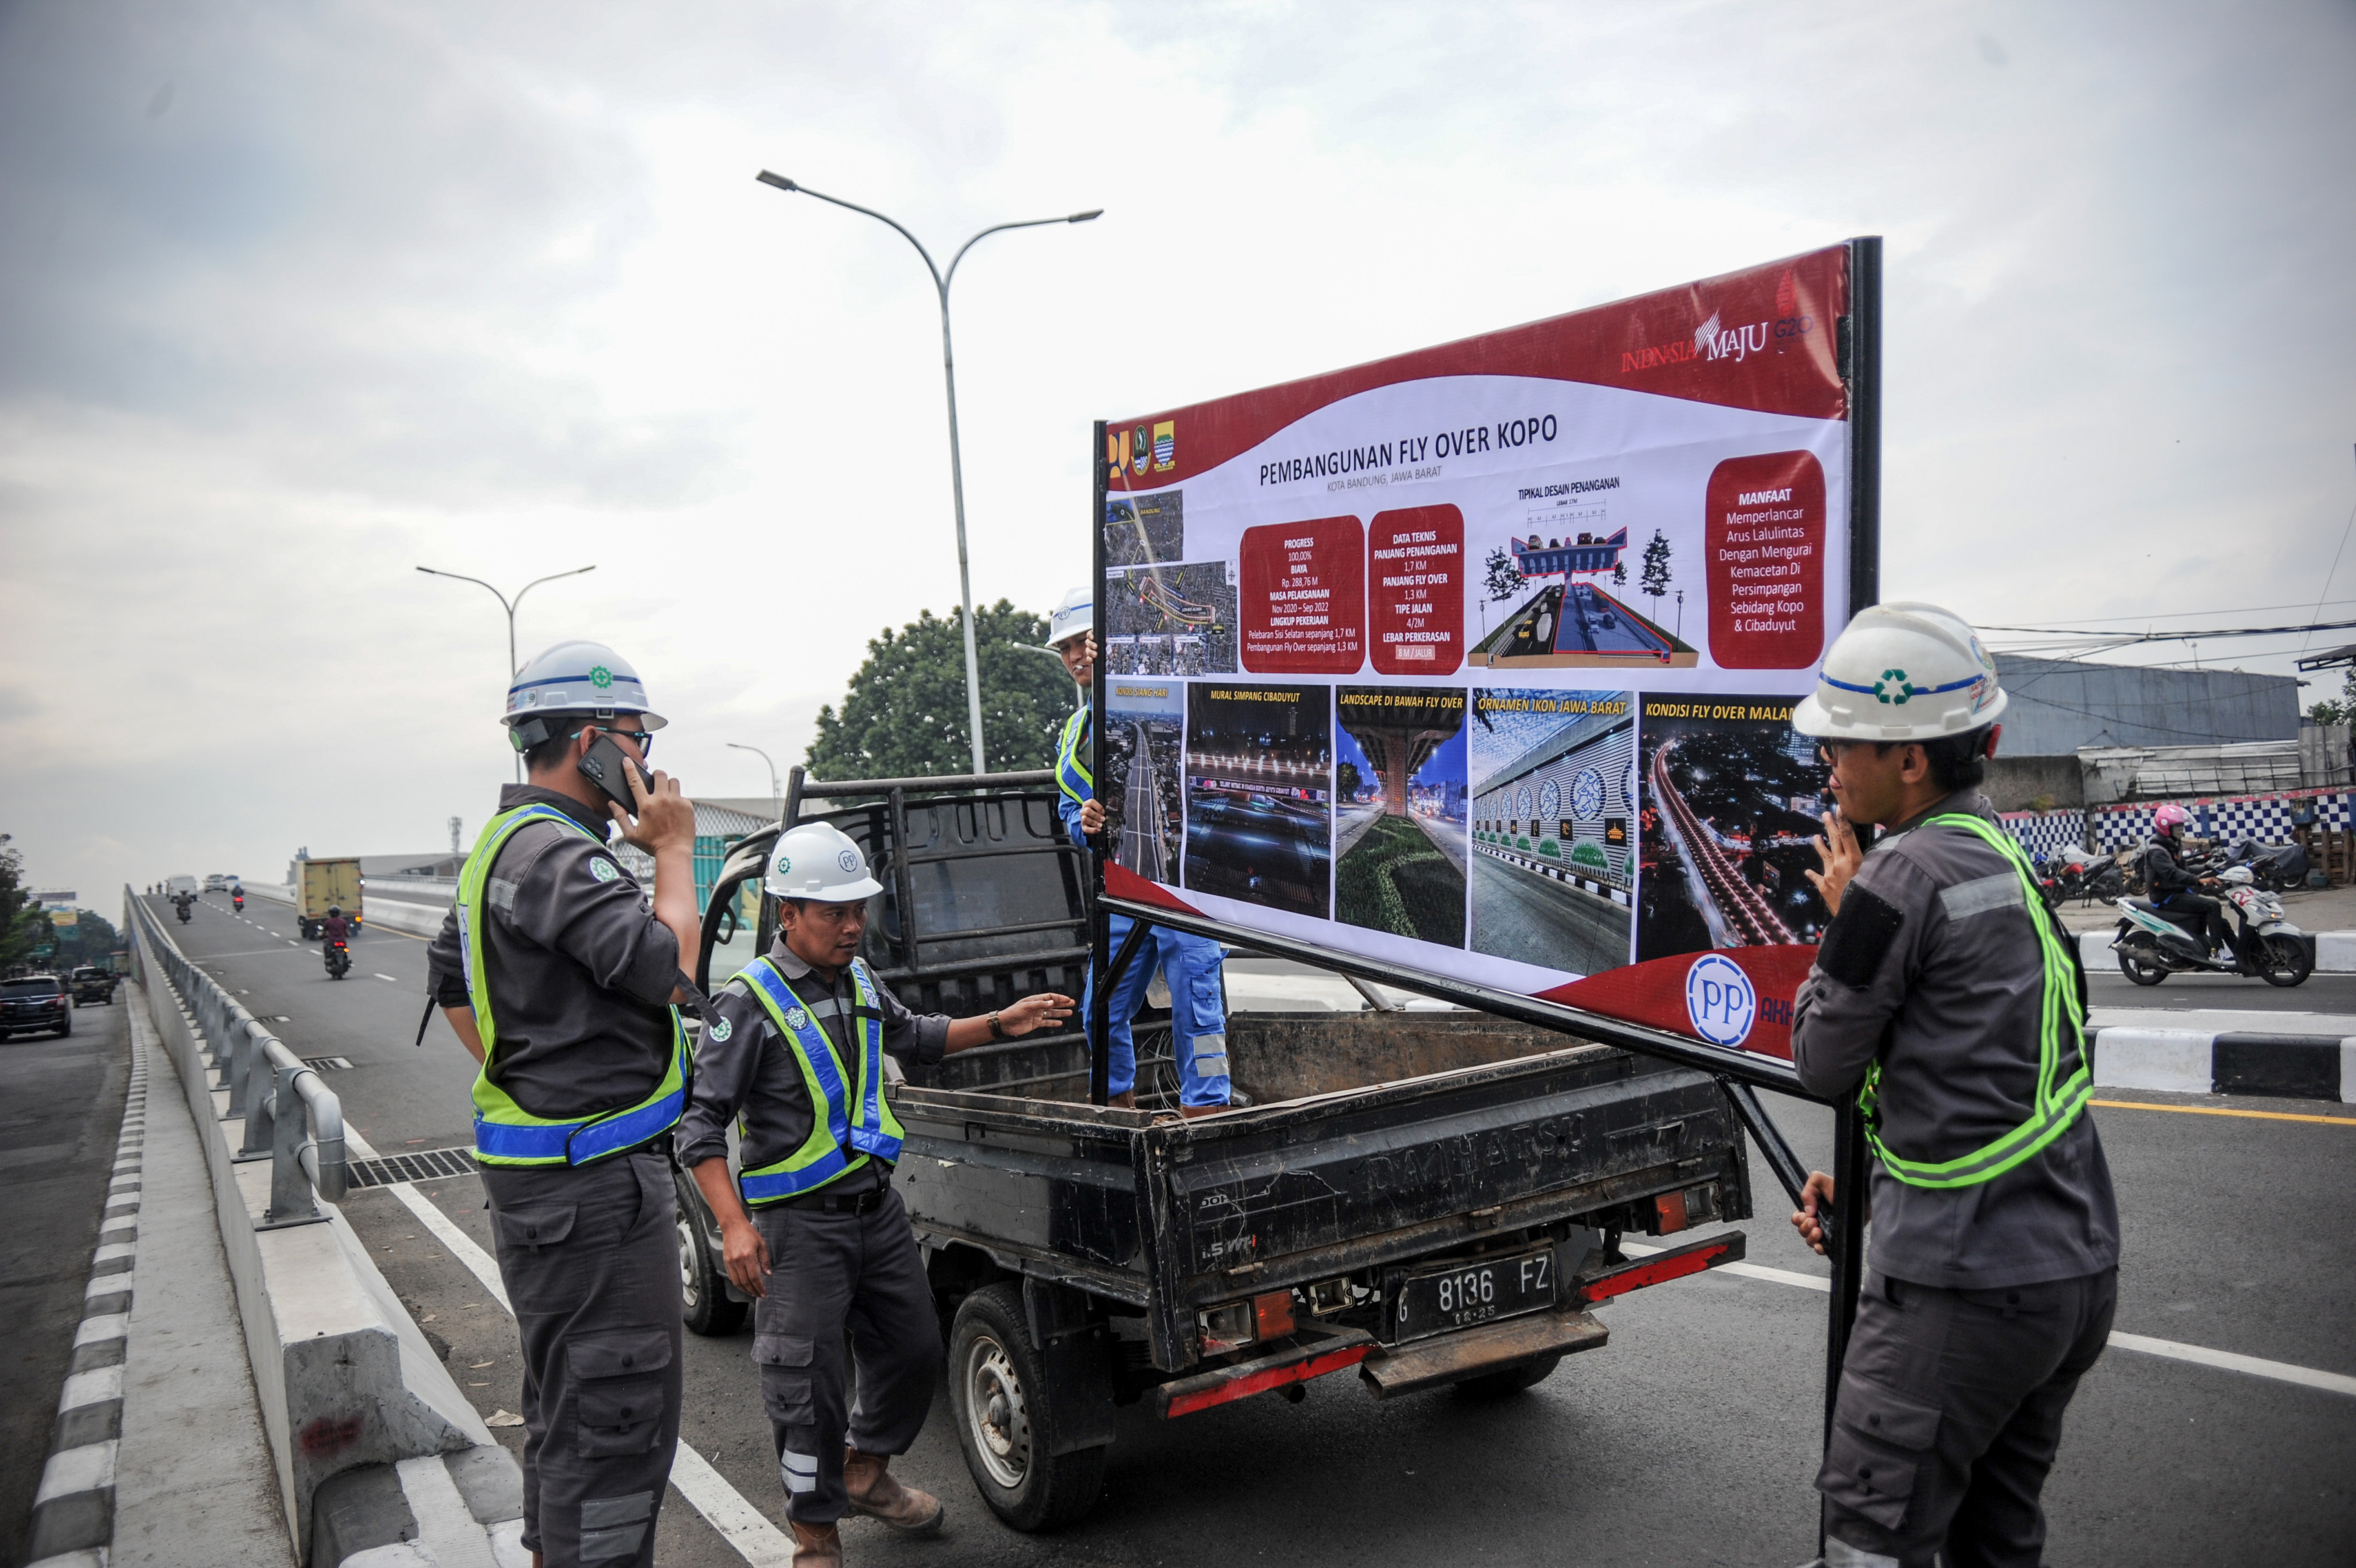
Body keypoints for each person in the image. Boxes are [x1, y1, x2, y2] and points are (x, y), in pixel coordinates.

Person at [1786, 602, 2118, 1568]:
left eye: (1842, 743)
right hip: (2069, 1269)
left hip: (1961, 1290)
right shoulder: (2003, 855)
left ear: (1910, 759)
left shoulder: (1892, 882)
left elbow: (1820, 1061)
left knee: (1871, 1540)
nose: (1829, 765)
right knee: (1996, 1542)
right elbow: (1981, 1062)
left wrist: (1844, 918)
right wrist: (1878, 1183)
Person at [679, 821, 1074, 1567]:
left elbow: (916, 1034)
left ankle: (864, 1470)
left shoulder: (859, 979)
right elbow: (698, 1128)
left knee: (914, 1350)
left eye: (859, 909)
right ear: (788, 913)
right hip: (797, 1230)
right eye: (835, 912)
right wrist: (732, 1225)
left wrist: (1001, 1022)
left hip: (877, 1213)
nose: (853, 925)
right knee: (806, 1388)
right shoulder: (746, 1002)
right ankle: (815, 1536)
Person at [424, 639, 699, 1568]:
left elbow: (450, 983)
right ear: (589, 740)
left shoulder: (503, 846)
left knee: (569, 1409)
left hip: (554, 1177)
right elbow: (671, 970)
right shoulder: (556, 854)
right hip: (592, 1188)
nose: (647, 758)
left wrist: (529, 1068)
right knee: (617, 1419)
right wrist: (674, 851)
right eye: (635, 736)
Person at [1045, 586, 1232, 1116]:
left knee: (1198, 1011)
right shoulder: (1074, 732)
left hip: (1183, 887)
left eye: (1084, 642)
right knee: (1099, 1011)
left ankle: (1208, 1115)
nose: (1076, 656)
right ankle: (1116, 1113)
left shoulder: (1169, 692)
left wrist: (1124, 664)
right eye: (1065, 648)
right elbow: (1068, 810)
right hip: (1123, 888)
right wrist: (1083, 825)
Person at [2138, 802, 2231, 955]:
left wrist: (2209, 869)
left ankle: (2241, 955)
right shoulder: (2157, 851)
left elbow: (2184, 869)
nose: (2181, 830)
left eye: (2182, 827)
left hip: (2178, 892)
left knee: (2222, 922)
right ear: (2165, 828)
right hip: (2166, 897)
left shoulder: (2172, 845)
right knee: (2213, 906)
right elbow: (2173, 873)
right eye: (2177, 827)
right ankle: (2217, 951)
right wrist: (2198, 880)